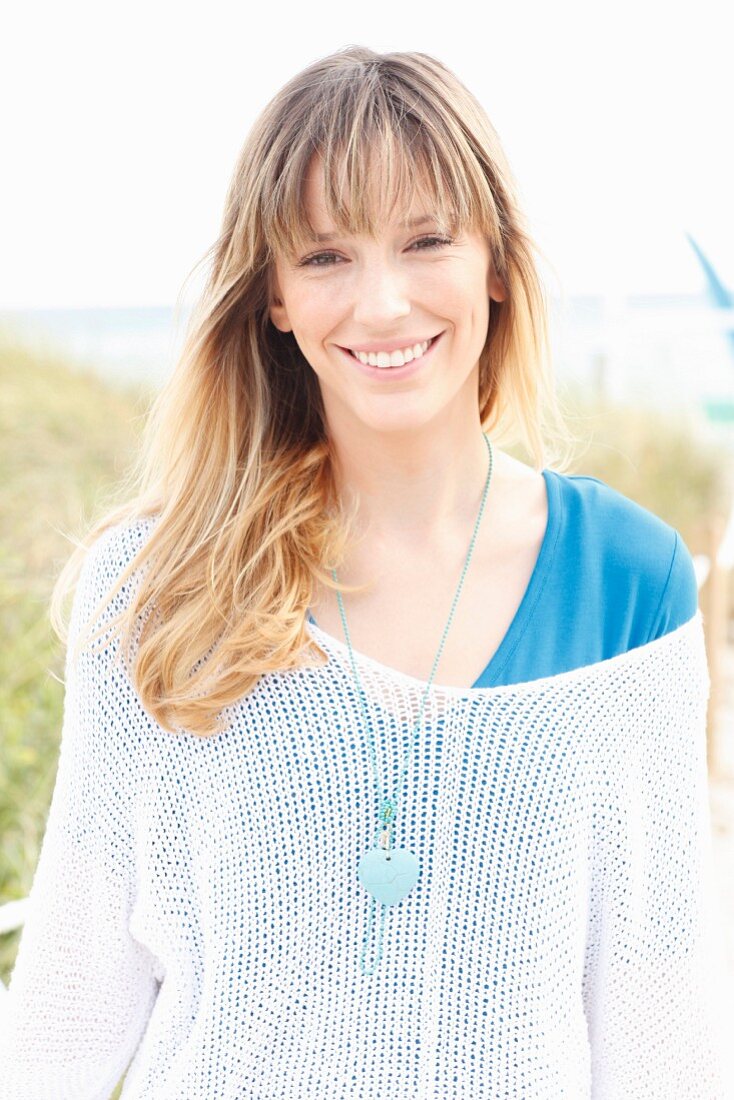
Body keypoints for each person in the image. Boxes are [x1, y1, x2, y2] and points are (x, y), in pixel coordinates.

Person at [1, 46, 730, 1099]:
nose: (382, 303)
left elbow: (660, 1029)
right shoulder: (159, 581)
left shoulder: (629, 583)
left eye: (424, 240)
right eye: (326, 257)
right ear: (275, 300)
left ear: (492, 263)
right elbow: (68, 1007)